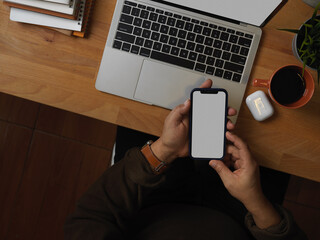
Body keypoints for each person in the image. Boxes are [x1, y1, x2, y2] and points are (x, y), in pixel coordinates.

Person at [64, 80, 307, 240]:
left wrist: (162, 151)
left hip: (149, 193)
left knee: (154, 86)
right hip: (246, 215)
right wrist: (254, 198)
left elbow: (91, 215)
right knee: (290, 124)